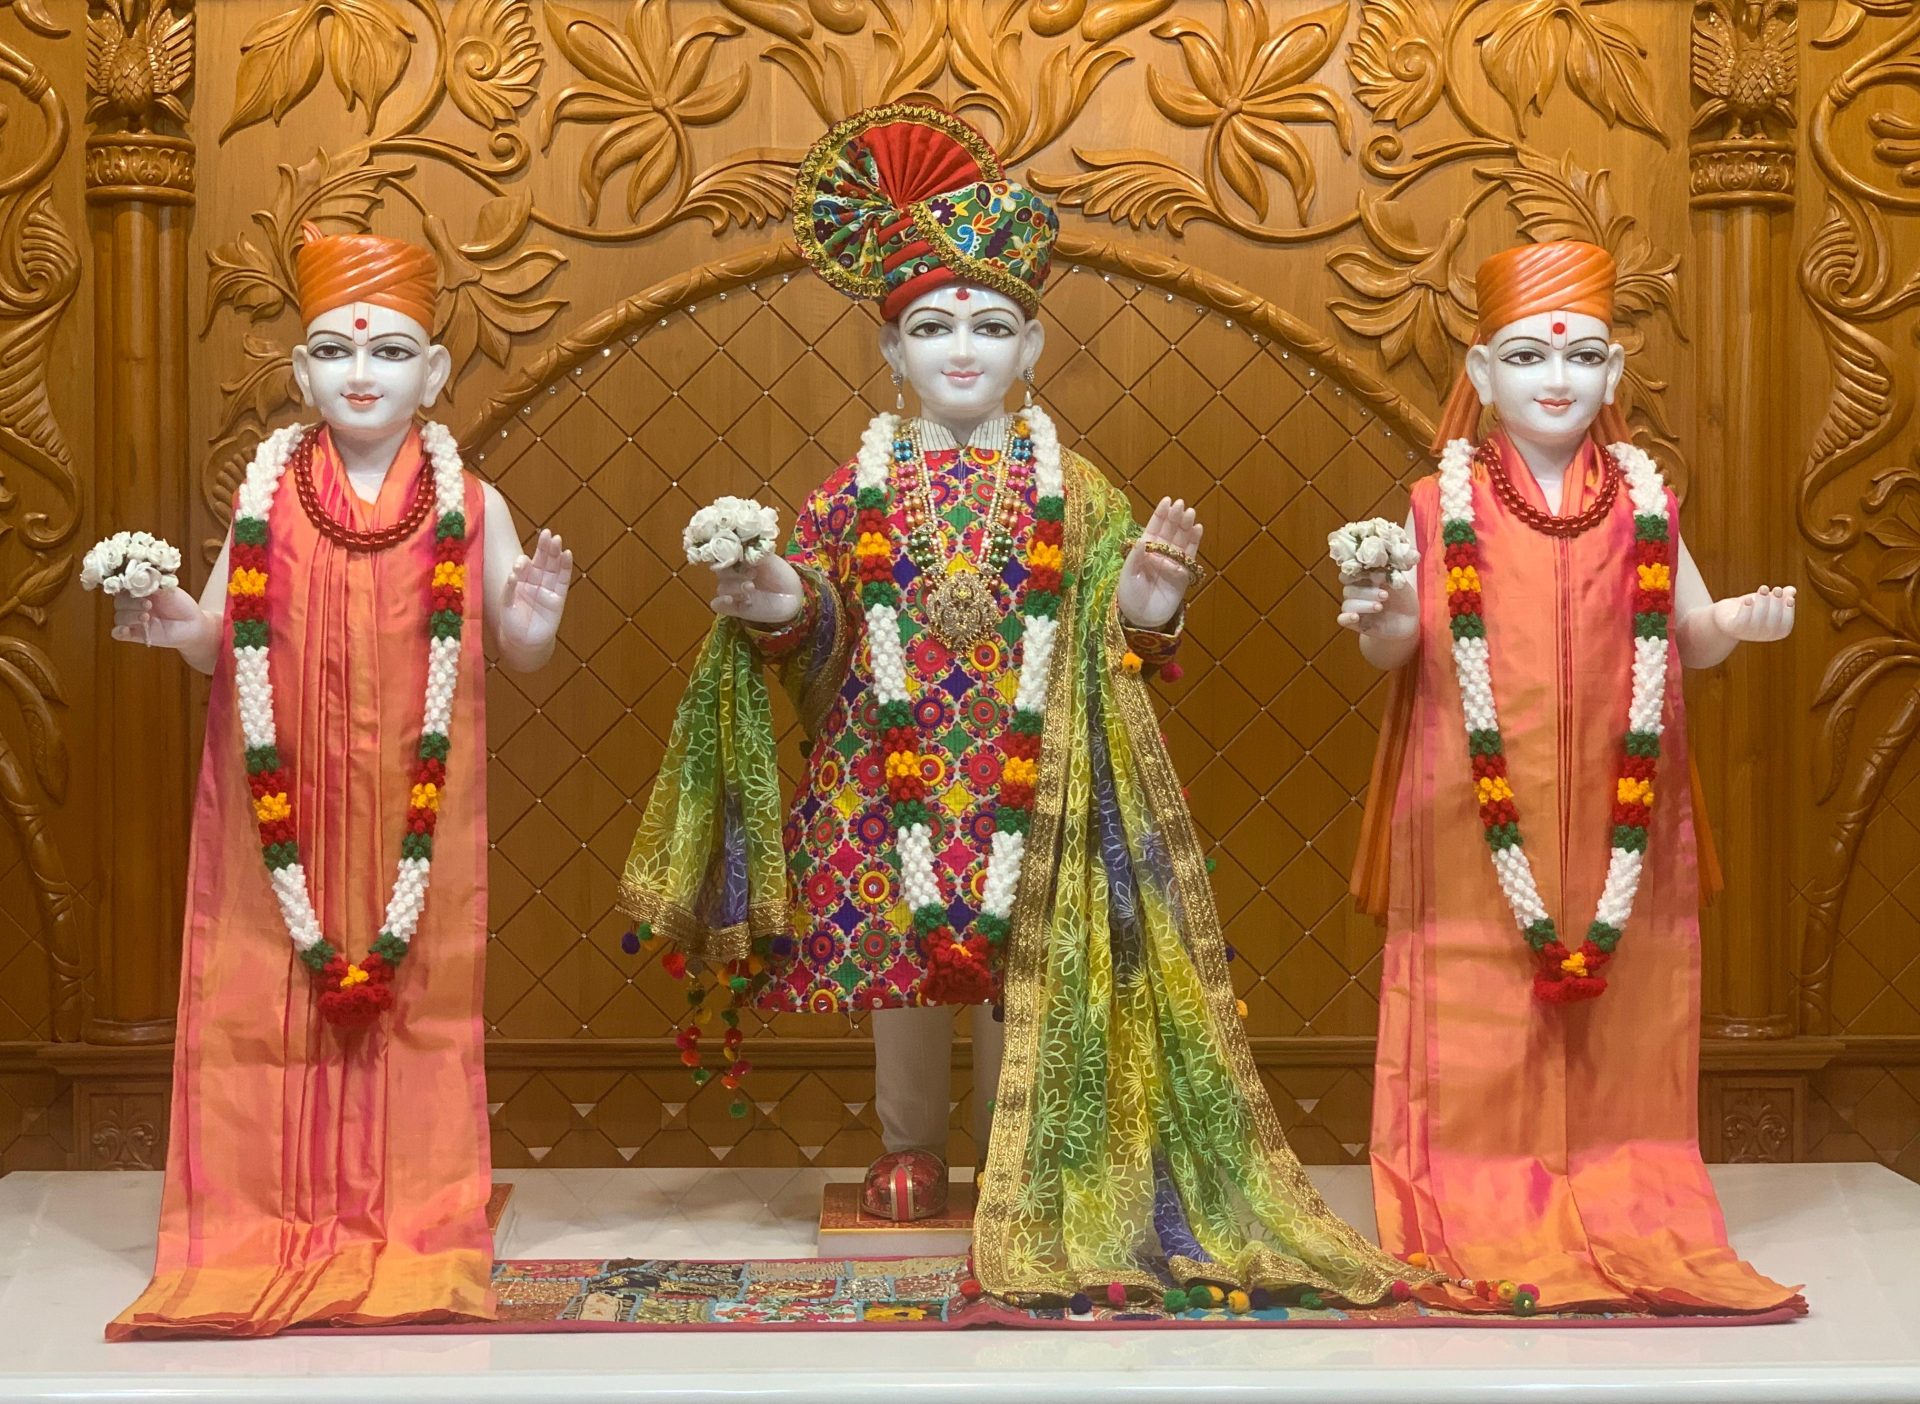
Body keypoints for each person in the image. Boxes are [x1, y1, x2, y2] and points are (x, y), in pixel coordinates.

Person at [623, 103, 1415, 1305]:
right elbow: (825, 619)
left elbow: (1115, 639)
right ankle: (908, 1146)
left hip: (1033, 774)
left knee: (1020, 957)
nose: (960, 349)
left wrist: (1148, 596)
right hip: (884, 770)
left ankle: (1019, 1148)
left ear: (1032, 345)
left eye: (989, 326)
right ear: (889, 354)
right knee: (903, 959)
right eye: (930, 327)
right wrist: (773, 587)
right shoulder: (857, 484)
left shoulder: (1079, 489)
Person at [107, 226, 573, 1339]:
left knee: (420, 989)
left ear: (436, 373)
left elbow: (518, 648)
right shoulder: (265, 495)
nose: (362, 375)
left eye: (391, 353)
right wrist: (175, 622)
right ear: (301, 371)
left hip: (417, 803)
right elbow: (221, 638)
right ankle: (263, 1212)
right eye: (335, 353)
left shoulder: (471, 498)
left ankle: (411, 1214)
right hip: (287, 811)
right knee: (259, 982)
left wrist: (535, 617)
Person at [1343, 239, 1802, 1314]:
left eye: (1583, 356)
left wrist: (1734, 620)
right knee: (1477, 999)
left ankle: (1625, 1181)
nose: (1558, 379)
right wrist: (1385, 615)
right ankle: (1477, 1196)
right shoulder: (1431, 503)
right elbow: (1394, 646)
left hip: (1617, 813)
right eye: (1530, 357)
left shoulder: (1649, 501)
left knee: (1624, 1010)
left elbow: (1687, 636)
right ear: (1482, 371)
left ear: (1614, 373)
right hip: (1469, 810)